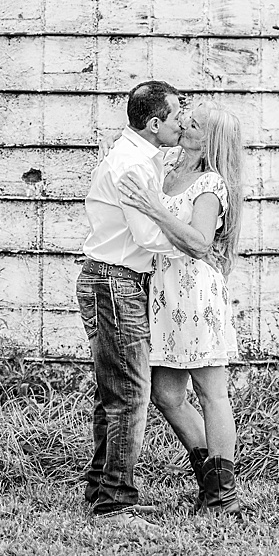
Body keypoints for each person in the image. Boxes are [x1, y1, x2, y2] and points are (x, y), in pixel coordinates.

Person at [76, 80, 198, 527]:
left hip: (114, 279)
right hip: (115, 281)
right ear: (153, 124)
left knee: (115, 391)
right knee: (130, 392)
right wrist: (197, 241)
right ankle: (115, 504)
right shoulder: (133, 166)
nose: (180, 123)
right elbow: (148, 237)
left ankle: (102, 488)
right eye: (174, 116)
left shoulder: (138, 157)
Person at [119, 101, 248, 515]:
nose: (185, 121)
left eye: (195, 122)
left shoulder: (210, 185)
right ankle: (209, 477)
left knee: (211, 392)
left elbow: (199, 243)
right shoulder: (168, 166)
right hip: (162, 292)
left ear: (209, 138)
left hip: (195, 294)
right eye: (188, 116)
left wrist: (154, 208)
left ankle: (222, 495)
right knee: (166, 393)